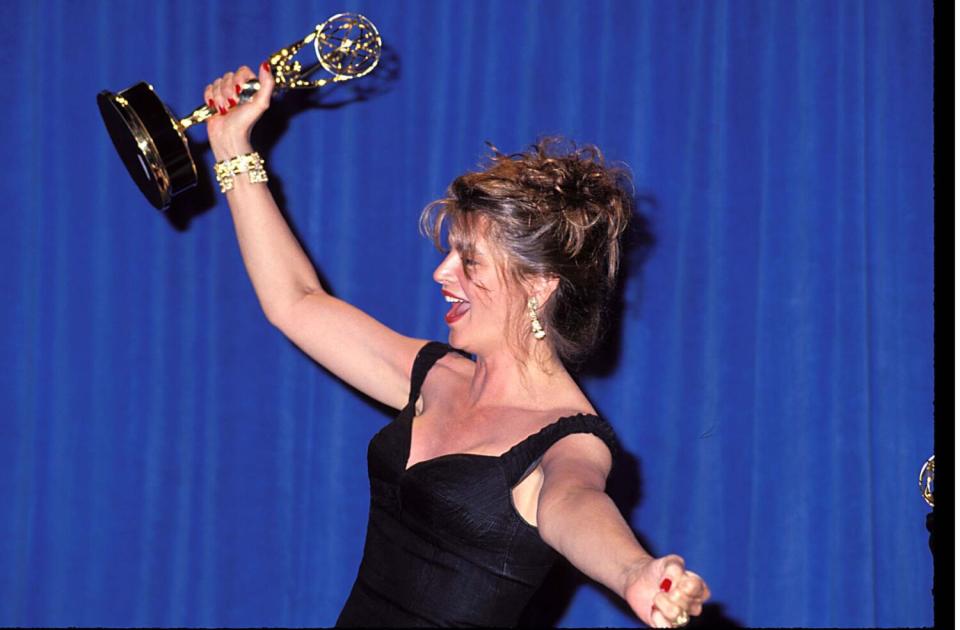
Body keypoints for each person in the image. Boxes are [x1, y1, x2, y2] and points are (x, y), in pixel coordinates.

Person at [204, 62, 711, 629]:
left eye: (469, 262)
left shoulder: (569, 441)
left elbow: (575, 505)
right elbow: (295, 301)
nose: (443, 273)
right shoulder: (435, 375)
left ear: (539, 285)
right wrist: (230, 147)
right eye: (450, 254)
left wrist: (632, 571)